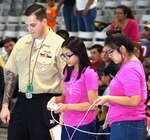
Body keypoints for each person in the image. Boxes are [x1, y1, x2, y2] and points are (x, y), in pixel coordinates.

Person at [0, 4, 65, 140]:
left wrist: (64, 108)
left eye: (33, 25)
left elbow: (68, 80)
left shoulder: (59, 45)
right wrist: (5, 105)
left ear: (44, 22)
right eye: (27, 25)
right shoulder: (22, 43)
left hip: (47, 102)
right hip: (23, 100)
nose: (29, 29)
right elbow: (12, 75)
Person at [95, 28, 147, 140]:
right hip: (126, 122)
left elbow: (134, 100)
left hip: (128, 123)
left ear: (122, 49)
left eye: (111, 52)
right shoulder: (128, 65)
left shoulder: (130, 68)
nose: (109, 56)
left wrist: (108, 98)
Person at [47, 36, 99, 140]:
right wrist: (56, 100)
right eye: (63, 55)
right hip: (67, 122)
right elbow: (66, 96)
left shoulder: (89, 73)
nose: (65, 59)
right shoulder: (67, 70)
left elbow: (93, 105)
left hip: (83, 124)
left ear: (78, 53)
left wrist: (67, 107)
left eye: (68, 56)